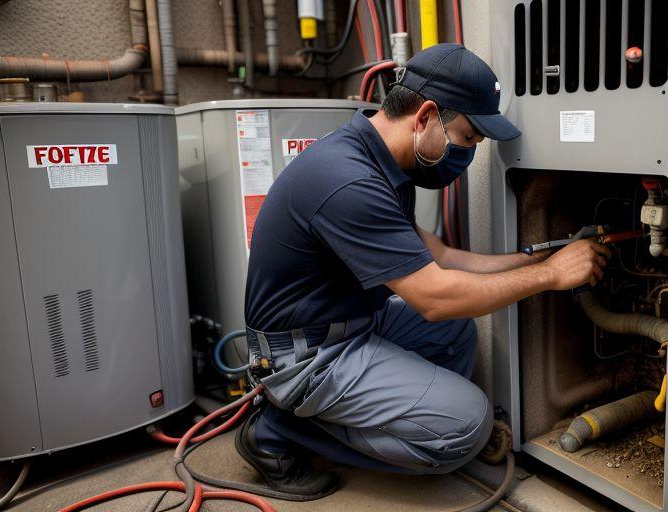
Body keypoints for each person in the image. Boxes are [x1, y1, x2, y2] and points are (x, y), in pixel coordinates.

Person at [238, 43, 610, 498]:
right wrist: (551, 277)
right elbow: (435, 298)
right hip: (305, 355)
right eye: (469, 138)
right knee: (466, 429)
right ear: (425, 115)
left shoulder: (383, 160)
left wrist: (541, 257)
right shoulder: (348, 179)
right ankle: (280, 429)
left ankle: (325, 412)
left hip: (347, 323)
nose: (469, 153)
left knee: (457, 334)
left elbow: (442, 257)